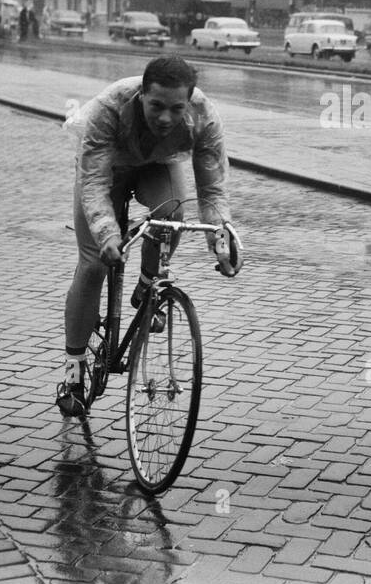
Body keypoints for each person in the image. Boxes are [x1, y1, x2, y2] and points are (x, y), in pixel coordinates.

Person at [58, 54, 238, 416]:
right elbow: (94, 183)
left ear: (189, 102)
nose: (166, 118)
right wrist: (108, 233)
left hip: (155, 164)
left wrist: (221, 240)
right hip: (104, 168)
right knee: (94, 265)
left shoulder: (204, 117)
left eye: (176, 108)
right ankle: (74, 374)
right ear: (141, 94)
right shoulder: (109, 108)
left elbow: (213, 189)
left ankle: (146, 284)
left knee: (171, 213)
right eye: (156, 106)